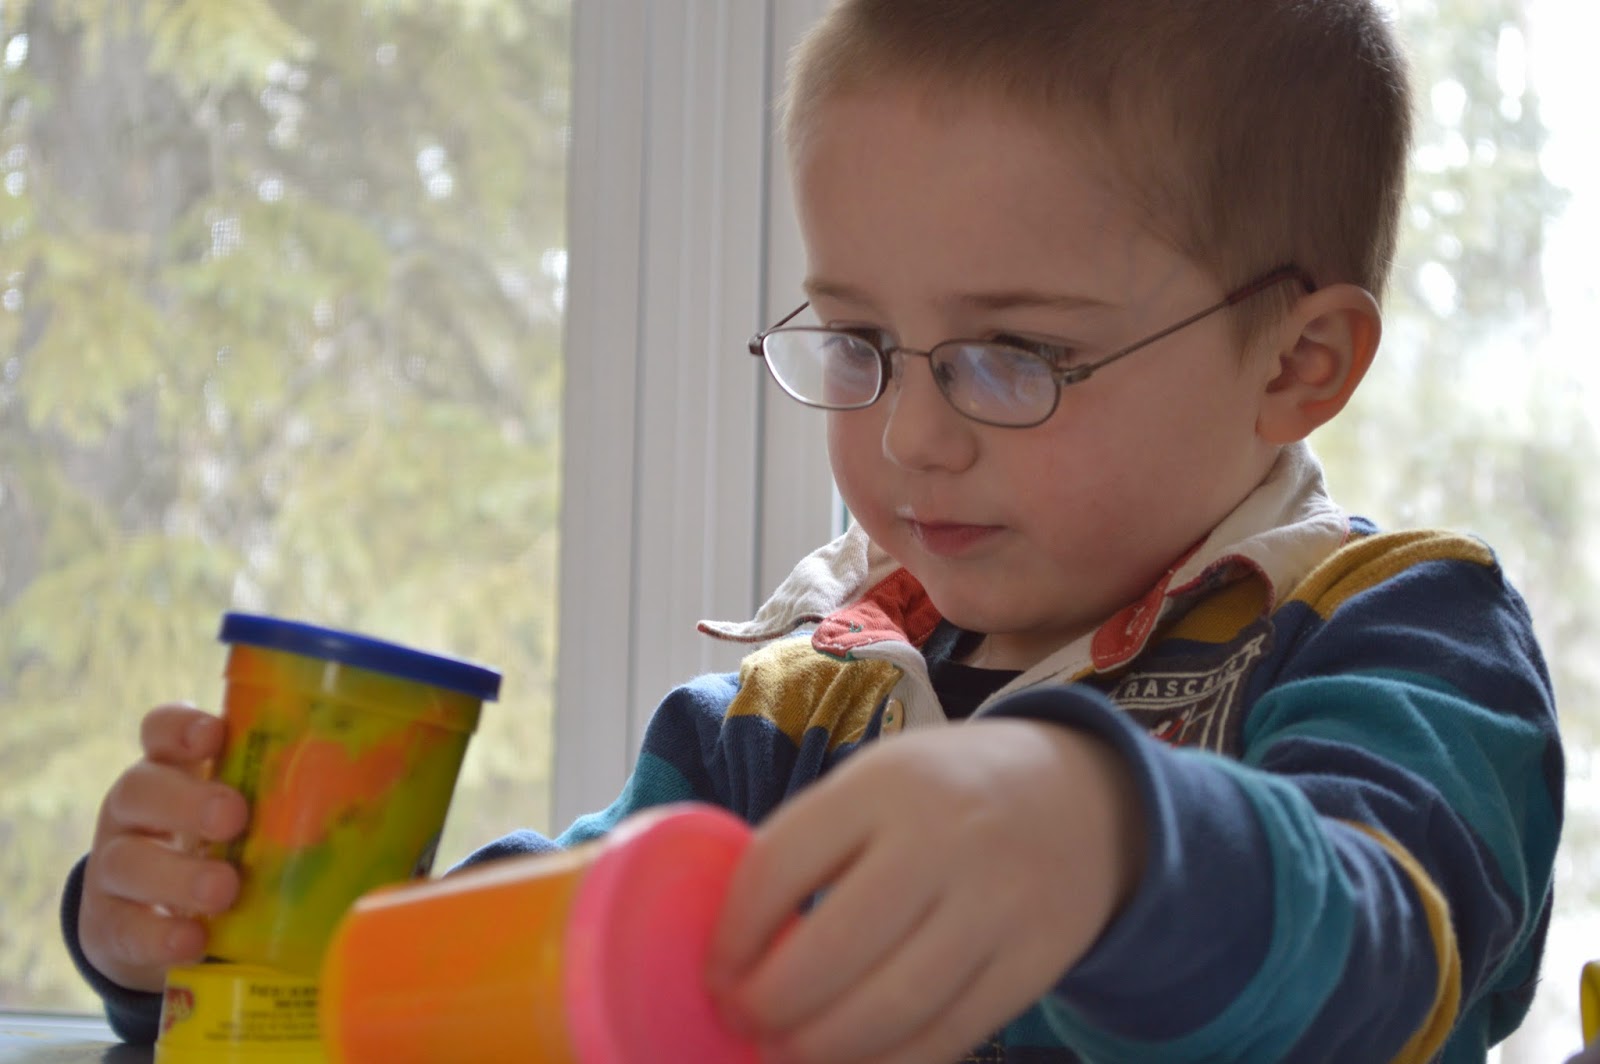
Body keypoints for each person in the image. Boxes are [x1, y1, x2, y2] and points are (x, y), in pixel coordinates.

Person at [61, 1, 1563, 1061]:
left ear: (1298, 363)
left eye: (1015, 356)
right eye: (858, 343)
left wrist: (1109, 839)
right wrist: (195, 936)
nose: (910, 437)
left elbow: (1397, 962)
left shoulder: (1395, 633)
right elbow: (517, 991)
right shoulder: (781, 721)